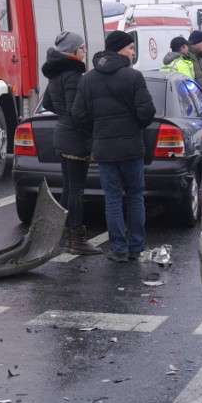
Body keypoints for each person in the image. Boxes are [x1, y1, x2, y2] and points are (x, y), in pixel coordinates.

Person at [71, 31, 156, 263]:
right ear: (119, 49)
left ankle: (118, 249)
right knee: (136, 196)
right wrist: (134, 126)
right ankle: (136, 247)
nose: (133, 52)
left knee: (113, 199)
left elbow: (78, 114)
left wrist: (97, 131)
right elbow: (147, 112)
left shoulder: (88, 79)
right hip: (131, 148)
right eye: (130, 47)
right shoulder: (133, 77)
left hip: (105, 149)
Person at [41, 31, 102, 256]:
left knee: (68, 187)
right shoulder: (75, 74)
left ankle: (67, 236)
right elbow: (77, 110)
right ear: (74, 50)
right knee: (76, 189)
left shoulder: (56, 73)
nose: (86, 51)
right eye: (83, 47)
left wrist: (65, 118)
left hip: (63, 134)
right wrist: (90, 130)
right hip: (76, 137)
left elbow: (48, 101)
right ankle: (77, 238)